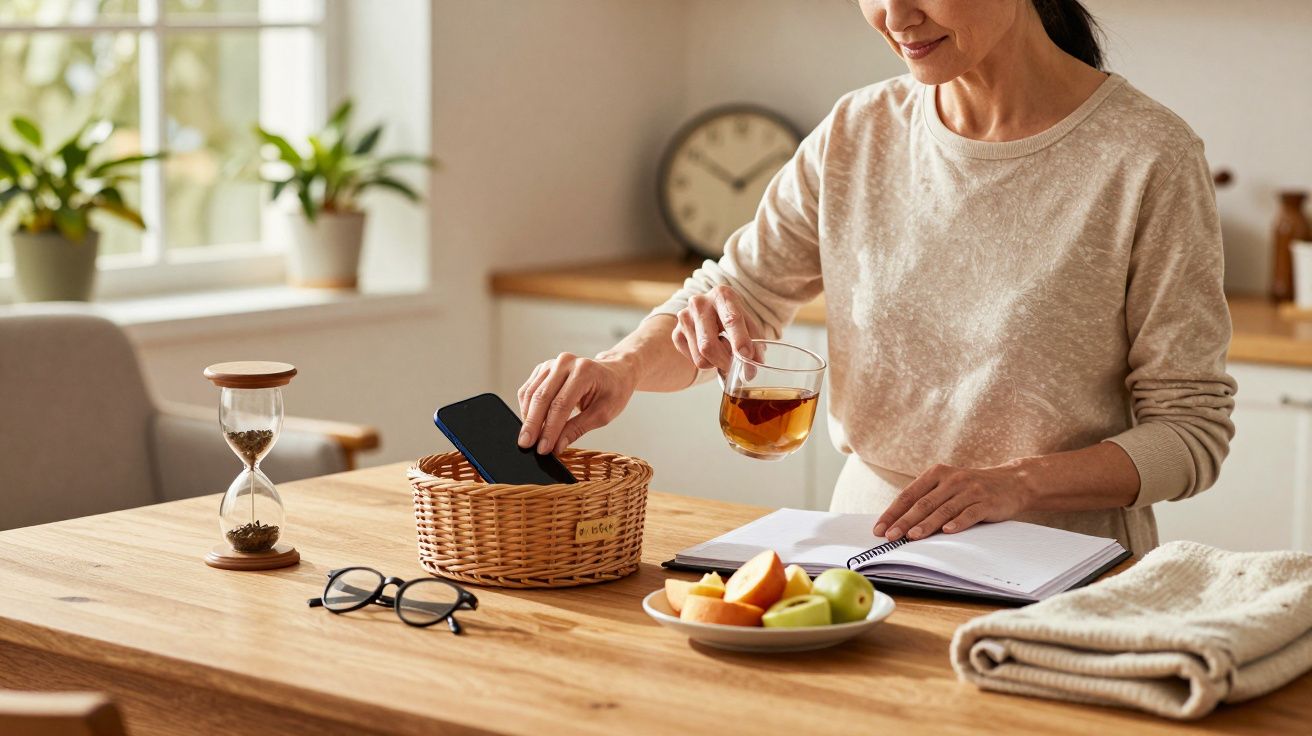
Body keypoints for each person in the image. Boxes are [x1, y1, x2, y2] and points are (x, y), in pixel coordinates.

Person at [515, 0, 1236, 556]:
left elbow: (1191, 431)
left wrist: (1014, 484)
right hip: (867, 551)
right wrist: (623, 366)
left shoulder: (1148, 156)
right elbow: (738, 294)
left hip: (1065, 569)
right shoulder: (857, 132)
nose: (893, 17)